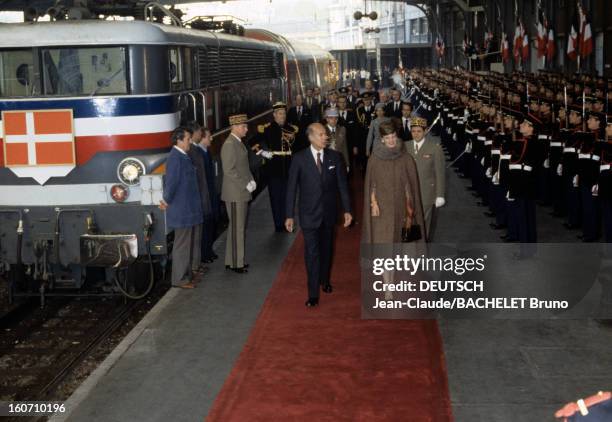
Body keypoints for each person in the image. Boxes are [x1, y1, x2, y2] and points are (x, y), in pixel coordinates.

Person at [285, 123, 352, 307]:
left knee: (327, 250)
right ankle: (313, 293)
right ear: (311, 137)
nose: (326, 137)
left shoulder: (335, 157)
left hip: (329, 214)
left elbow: (342, 186)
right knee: (311, 253)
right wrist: (289, 215)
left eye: (326, 134)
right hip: (308, 215)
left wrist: (347, 210)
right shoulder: (299, 159)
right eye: (322, 134)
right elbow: (291, 188)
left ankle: (325, 279)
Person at [159, 127, 203, 289]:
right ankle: (179, 279)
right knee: (182, 246)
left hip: (187, 209)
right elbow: (171, 184)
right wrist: (165, 200)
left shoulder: (182, 156)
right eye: (187, 139)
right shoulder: (175, 158)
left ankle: (187, 275)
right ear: (178, 140)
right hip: (182, 209)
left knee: (187, 244)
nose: (189, 142)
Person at [221, 113, 256, 273]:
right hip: (235, 193)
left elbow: (243, 167)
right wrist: (245, 184)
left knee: (236, 227)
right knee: (238, 229)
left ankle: (231, 260)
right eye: (244, 126)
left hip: (239, 192)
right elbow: (229, 170)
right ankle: (237, 263)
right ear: (234, 127)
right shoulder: (229, 144)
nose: (246, 129)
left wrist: (251, 179)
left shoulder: (237, 142)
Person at [258, 102, 299, 232]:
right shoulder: (267, 128)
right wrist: (262, 152)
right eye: (280, 114)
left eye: (284, 114)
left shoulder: (292, 129)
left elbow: (298, 146)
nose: (283, 116)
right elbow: (252, 141)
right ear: (274, 115)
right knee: (276, 196)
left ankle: (288, 220)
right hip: (274, 167)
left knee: (288, 195)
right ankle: (278, 224)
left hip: (288, 166)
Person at [406, 117, 446, 240]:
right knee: (409, 220)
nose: (416, 134)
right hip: (408, 193)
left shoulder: (435, 148)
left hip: (426, 193)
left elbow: (440, 173)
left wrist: (440, 195)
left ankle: (421, 250)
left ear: (425, 131)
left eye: (419, 131)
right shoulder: (405, 146)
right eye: (413, 131)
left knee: (422, 223)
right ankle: (410, 248)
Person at [185, 121, 211, 273]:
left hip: (201, 197)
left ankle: (196, 266)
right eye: (199, 133)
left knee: (197, 236)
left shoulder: (194, 151)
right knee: (194, 238)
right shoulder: (191, 152)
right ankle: (193, 267)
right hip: (197, 199)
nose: (201, 135)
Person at [196, 127, 220, 263]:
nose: (211, 138)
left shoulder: (206, 152)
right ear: (203, 138)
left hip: (211, 193)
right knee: (206, 227)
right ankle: (205, 254)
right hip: (206, 196)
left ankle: (209, 251)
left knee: (211, 224)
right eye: (209, 136)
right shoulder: (199, 153)